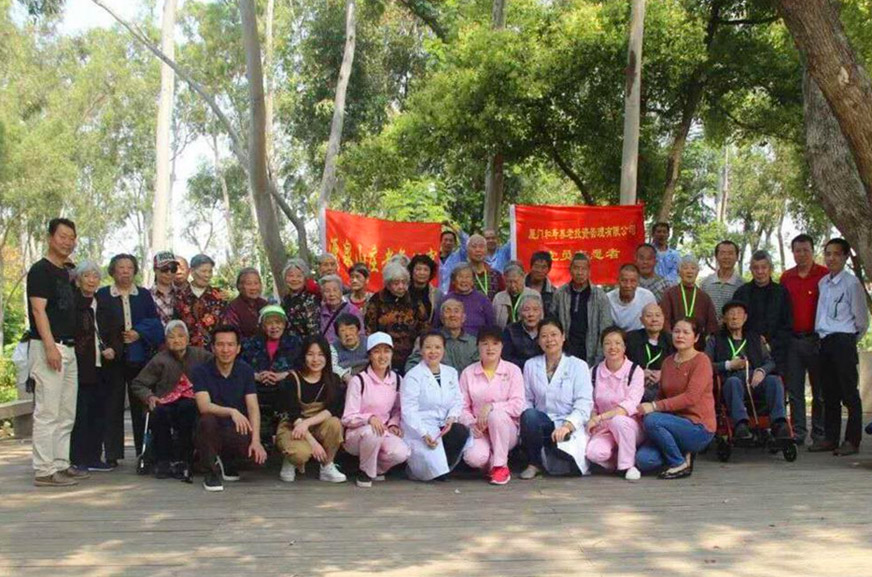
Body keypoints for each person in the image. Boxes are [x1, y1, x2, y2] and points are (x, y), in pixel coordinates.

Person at [28, 218, 83, 487]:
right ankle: (44, 469)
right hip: (49, 346)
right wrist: (50, 346)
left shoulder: (66, 273)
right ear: (50, 238)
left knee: (65, 412)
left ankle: (61, 462)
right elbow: (38, 310)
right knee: (48, 411)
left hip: (69, 347)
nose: (67, 242)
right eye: (62, 236)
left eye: (72, 238)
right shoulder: (40, 270)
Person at [96, 253, 164, 463]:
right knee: (112, 404)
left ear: (134, 271)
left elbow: (155, 323)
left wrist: (138, 333)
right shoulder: (103, 295)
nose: (125, 271)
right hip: (112, 357)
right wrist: (106, 347)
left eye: (129, 268)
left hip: (138, 357)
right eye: (121, 267)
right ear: (113, 271)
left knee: (140, 405)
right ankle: (112, 454)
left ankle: (143, 453)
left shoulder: (143, 295)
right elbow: (96, 325)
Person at [131, 320, 212, 480]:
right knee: (158, 413)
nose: (176, 340)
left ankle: (185, 460)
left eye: (180, 336)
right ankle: (164, 460)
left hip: (192, 400)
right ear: (166, 340)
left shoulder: (201, 355)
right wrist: (149, 396)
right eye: (171, 337)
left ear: (187, 339)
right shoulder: (159, 359)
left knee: (187, 409)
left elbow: (218, 369)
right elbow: (138, 383)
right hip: (165, 400)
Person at [635, 318, 715, 479]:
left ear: (696, 337)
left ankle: (679, 463)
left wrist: (654, 406)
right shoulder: (667, 362)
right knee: (644, 460)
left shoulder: (701, 361)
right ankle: (682, 452)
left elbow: (691, 398)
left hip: (697, 427)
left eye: (686, 332)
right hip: (671, 425)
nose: (680, 336)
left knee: (652, 420)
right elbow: (662, 395)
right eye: (677, 331)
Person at [810, 238, 869, 456]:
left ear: (845, 257)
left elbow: (861, 319)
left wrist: (850, 339)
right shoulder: (823, 283)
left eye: (836, 254)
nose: (831, 258)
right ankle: (830, 438)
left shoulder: (851, 284)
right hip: (824, 340)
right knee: (829, 393)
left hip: (843, 340)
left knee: (849, 392)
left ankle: (852, 440)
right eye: (828, 254)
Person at [192, 325, 267, 492]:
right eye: (220, 344)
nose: (225, 350)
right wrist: (232, 411)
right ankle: (210, 472)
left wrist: (256, 441)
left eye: (230, 345)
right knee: (207, 421)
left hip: (234, 429)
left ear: (238, 348)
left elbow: (253, 407)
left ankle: (227, 461)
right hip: (210, 429)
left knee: (255, 460)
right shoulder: (201, 371)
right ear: (213, 348)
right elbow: (204, 406)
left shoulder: (245, 371)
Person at [706, 301, 791, 441]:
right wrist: (728, 365)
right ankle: (740, 425)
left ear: (745, 318)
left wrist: (761, 371)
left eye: (738, 313)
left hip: (754, 378)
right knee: (733, 382)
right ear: (724, 318)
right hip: (731, 379)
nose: (735, 317)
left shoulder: (755, 338)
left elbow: (770, 362)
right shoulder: (715, 339)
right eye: (731, 314)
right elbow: (705, 365)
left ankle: (779, 423)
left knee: (774, 380)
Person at [519, 318, 593, 479]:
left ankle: (555, 454)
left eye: (554, 334)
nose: (549, 340)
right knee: (529, 415)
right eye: (544, 336)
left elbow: (584, 403)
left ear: (563, 337)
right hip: (542, 424)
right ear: (538, 340)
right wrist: (528, 424)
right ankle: (534, 463)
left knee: (567, 462)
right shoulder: (531, 365)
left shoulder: (578, 365)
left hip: (568, 424)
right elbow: (526, 399)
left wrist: (567, 426)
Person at [342, 333, 411, 488]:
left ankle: (376, 469)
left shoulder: (397, 380)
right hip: (358, 434)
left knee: (402, 452)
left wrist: (393, 424)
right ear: (369, 355)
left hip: (384, 431)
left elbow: (397, 409)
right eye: (377, 351)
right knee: (373, 432)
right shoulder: (358, 381)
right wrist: (369, 418)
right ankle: (365, 472)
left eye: (386, 351)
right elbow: (347, 417)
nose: (382, 356)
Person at [401, 331, 472, 481]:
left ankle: (445, 466)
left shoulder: (451, 372)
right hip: (421, 427)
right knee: (430, 468)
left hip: (444, 424)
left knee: (460, 432)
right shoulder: (413, 376)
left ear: (443, 349)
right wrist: (423, 433)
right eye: (428, 347)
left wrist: (451, 418)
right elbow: (408, 410)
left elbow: (457, 400)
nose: (433, 352)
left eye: (437, 347)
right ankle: (418, 469)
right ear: (421, 350)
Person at [459, 327, 525, 485]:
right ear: (478, 346)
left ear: (502, 346)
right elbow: (461, 407)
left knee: (496, 415)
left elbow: (518, 405)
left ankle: (500, 466)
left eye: (495, 343)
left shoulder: (512, 370)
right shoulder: (468, 373)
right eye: (485, 343)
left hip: (506, 429)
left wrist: (492, 407)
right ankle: (491, 464)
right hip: (480, 430)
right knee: (474, 458)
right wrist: (471, 423)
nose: (490, 348)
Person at [276, 336, 347, 483]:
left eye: (320, 354)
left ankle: (327, 465)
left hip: (317, 424)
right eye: (310, 354)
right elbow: (293, 414)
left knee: (335, 423)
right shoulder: (292, 379)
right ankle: (290, 459)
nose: (315, 359)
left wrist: (307, 424)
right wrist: (313, 442)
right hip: (293, 426)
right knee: (300, 454)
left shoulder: (333, 379)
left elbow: (332, 410)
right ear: (303, 356)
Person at [780, 233, 829, 444]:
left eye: (806, 250)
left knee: (819, 390)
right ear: (793, 253)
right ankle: (798, 432)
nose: (802, 254)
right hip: (793, 340)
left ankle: (819, 432)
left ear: (813, 251)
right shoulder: (786, 278)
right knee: (795, 390)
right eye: (798, 250)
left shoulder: (824, 275)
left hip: (816, 340)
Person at [71, 261, 116, 473]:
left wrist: (114, 349)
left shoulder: (104, 304)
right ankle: (77, 457)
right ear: (78, 280)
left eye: (95, 276)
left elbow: (115, 332)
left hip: (103, 367)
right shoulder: (73, 304)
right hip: (80, 367)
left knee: (99, 413)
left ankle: (94, 457)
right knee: (81, 413)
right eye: (86, 276)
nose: (91, 280)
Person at [585, 327, 645, 481]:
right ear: (602, 347)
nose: (613, 347)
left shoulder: (635, 371)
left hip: (629, 425)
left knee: (618, 421)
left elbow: (630, 404)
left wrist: (600, 417)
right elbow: (590, 402)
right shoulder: (594, 372)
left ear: (624, 347)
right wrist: (593, 417)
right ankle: (617, 460)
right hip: (604, 428)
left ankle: (627, 466)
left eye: (618, 343)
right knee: (593, 453)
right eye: (608, 343)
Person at [240, 305, 302, 439]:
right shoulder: (251, 343)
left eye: (278, 322)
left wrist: (283, 375)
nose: (274, 327)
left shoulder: (295, 342)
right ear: (263, 326)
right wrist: (256, 376)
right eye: (269, 323)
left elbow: (302, 367)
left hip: (284, 387)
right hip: (257, 386)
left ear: (284, 324)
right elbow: (240, 366)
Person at [732, 250, 793, 375]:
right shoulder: (741, 293)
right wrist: (753, 342)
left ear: (770, 269)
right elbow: (734, 323)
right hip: (746, 352)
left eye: (764, 267)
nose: (760, 272)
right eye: (755, 268)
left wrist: (770, 344)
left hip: (776, 353)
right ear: (751, 269)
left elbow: (787, 325)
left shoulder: (781, 293)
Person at [365, 261, 430, 373]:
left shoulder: (414, 300)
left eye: (404, 283)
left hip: (411, 353)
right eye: (396, 283)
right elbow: (369, 328)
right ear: (388, 284)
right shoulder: (377, 300)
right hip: (384, 353)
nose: (401, 287)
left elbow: (424, 325)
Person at [550, 252, 613, 366]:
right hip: (565, 351)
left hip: (590, 352)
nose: (580, 272)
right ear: (570, 270)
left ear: (589, 271)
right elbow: (552, 324)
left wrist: (599, 358)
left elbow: (606, 328)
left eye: (583, 269)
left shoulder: (599, 296)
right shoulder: (560, 293)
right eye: (576, 268)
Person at [406, 298, 479, 373]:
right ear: (441, 318)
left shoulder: (474, 343)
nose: (452, 315)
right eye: (448, 311)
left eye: (456, 311)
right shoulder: (427, 340)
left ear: (463, 318)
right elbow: (411, 366)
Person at [660, 256, 718, 348]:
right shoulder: (670, 294)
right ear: (679, 272)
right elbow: (664, 319)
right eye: (685, 268)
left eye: (693, 268)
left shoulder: (704, 297)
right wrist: (672, 338)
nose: (689, 271)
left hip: (698, 346)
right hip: (674, 344)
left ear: (697, 272)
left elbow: (711, 324)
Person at [174, 254, 227, 349]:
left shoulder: (218, 296)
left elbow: (224, 326)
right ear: (192, 272)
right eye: (203, 271)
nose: (207, 275)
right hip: (186, 351)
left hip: (213, 351)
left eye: (210, 271)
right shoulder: (180, 296)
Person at [626, 303, 674, 402]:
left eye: (658, 315)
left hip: (664, 391)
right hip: (634, 389)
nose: (654, 319)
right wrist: (638, 373)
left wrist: (664, 375)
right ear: (641, 320)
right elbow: (621, 364)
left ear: (663, 318)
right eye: (649, 316)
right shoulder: (630, 339)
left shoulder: (672, 341)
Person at [434, 264, 496, 337]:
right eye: (460, 277)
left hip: (476, 340)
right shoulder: (445, 300)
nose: (464, 280)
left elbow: (491, 325)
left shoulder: (483, 299)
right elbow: (436, 326)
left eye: (467, 277)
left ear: (473, 281)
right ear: (453, 281)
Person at [440, 234, 506, 300]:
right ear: (467, 250)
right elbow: (450, 299)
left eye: (481, 247)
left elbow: (504, 297)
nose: (478, 250)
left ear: (486, 250)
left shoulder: (496, 275)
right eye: (474, 247)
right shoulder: (458, 275)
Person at [700, 241, 743, 321]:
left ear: (737, 257)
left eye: (730, 253)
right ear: (716, 257)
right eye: (722, 253)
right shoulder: (705, 283)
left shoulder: (742, 285)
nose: (726, 257)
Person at [606, 264, 657, 331]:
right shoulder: (608, 299)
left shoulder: (647, 296)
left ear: (638, 282)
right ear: (618, 280)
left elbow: (654, 321)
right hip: (615, 335)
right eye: (624, 280)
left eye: (633, 281)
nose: (628, 285)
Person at [281, 258, 321, 340]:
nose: (294, 279)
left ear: (305, 278)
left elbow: (314, 331)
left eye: (299, 276)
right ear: (285, 278)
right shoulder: (285, 299)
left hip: (307, 343)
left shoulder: (310, 299)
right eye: (291, 276)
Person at [222, 268, 268, 340]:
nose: (253, 288)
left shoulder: (265, 304)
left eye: (256, 283)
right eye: (249, 284)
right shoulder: (233, 307)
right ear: (239, 286)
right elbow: (233, 336)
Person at [502, 294, 544, 369]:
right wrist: (530, 365)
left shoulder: (547, 329)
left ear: (541, 313)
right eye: (526, 310)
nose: (531, 314)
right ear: (520, 313)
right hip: (517, 371)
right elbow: (506, 359)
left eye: (535, 310)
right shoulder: (510, 330)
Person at [319, 274, 364, 345]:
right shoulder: (319, 311)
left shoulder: (352, 310)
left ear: (341, 292)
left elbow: (361, 335)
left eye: (335, 290)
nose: (331, 294)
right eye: (327, 291)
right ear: (322, 294)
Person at [493, 261, 538, 329]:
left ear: (523, 278)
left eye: (515, 281)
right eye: (509, 282)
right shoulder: (499, 298)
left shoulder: (533, 295)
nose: (512, 285)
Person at [331, 313, 370, 384]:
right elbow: (332, 366)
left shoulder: (369, 343)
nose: (347, 334)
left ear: (358, 331)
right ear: (338, 335)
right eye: (342, 330)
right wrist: (345, 375)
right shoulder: (333, 347)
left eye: (351, 328)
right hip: (345, 382)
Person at [408, 254, 442, 323]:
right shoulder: (403, 290)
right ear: (412, 271)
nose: (422, 273)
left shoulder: (437, 294)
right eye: (418, 269)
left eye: (426, 270)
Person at [150, 251, 178, 328]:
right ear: (155, 270)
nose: (169, 273)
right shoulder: (146, 296)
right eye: (164, 269)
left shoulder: (182, 294)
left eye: (173, 269)